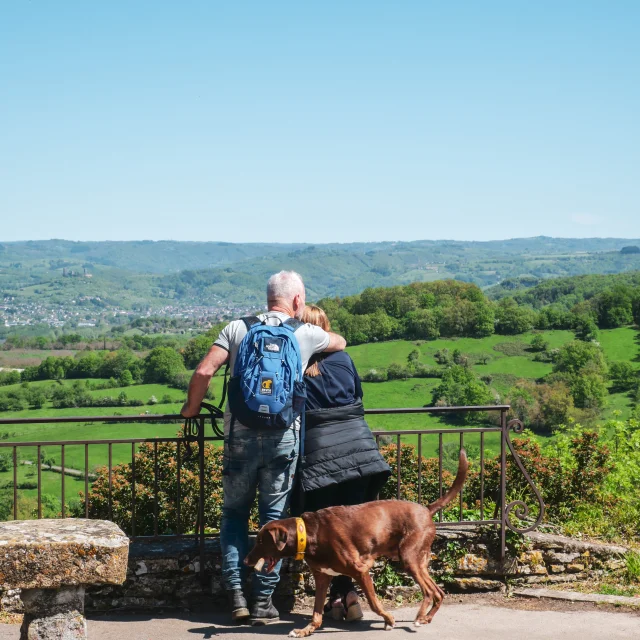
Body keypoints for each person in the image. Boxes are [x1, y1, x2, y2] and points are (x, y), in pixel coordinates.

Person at [181, 271, 346, 625]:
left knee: (233, 516)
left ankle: (237, 595)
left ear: (267, 297)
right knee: (275, 520)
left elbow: (204, 371)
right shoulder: (304, 332)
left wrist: (190, 410)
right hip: (283, 438)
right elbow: (341, 342)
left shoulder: (237, 329)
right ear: (298, 301)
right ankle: (263, 601)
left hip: (239, 436)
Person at [296, 304, 391, 622]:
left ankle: (341, 596)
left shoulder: (296, 364)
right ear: (325, 329)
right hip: (361, 455)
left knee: (326, 535)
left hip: (320, 460)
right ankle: (346, 595)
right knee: (350, 532)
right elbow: (359, 399)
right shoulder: (344, 360)